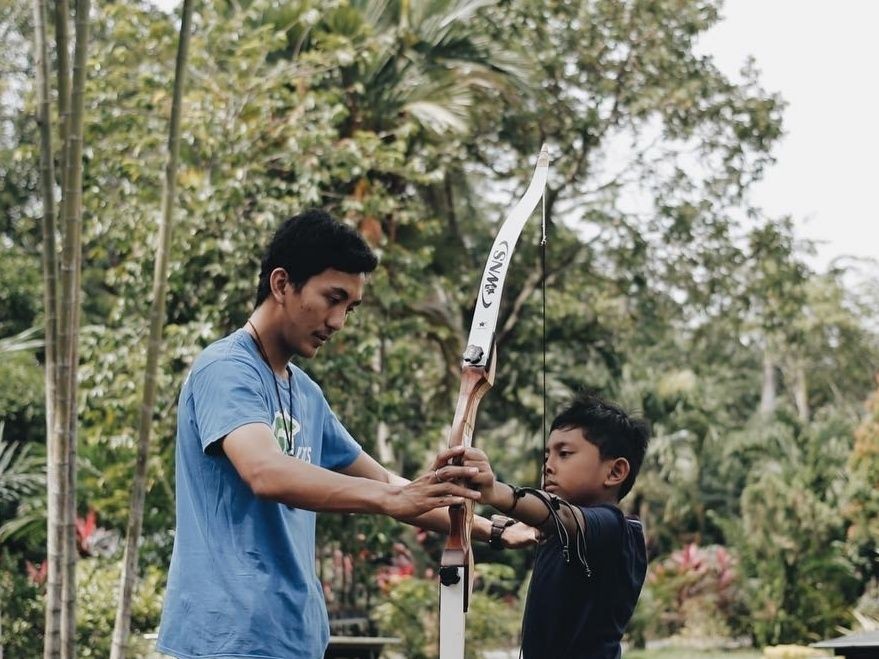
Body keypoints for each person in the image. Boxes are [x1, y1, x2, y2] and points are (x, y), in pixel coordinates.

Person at [156, 209, 533, 658]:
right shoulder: (226, 369)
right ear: (281, 284)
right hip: (226, 639)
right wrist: (394, 500)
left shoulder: (306, 394)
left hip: (295, 638)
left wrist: (491, 528)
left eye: (349, 307)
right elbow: (265, 472)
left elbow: (391, 485)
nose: (338, 321)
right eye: (332, 298)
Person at [459, 393, 650, 659]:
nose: (548, 466)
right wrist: (392, 488)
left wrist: (496, 492)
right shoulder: (553, 529)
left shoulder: (615, 529)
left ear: (615, 472)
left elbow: (565, 516)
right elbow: (460, 516)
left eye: (564, 453)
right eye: (547, 455)